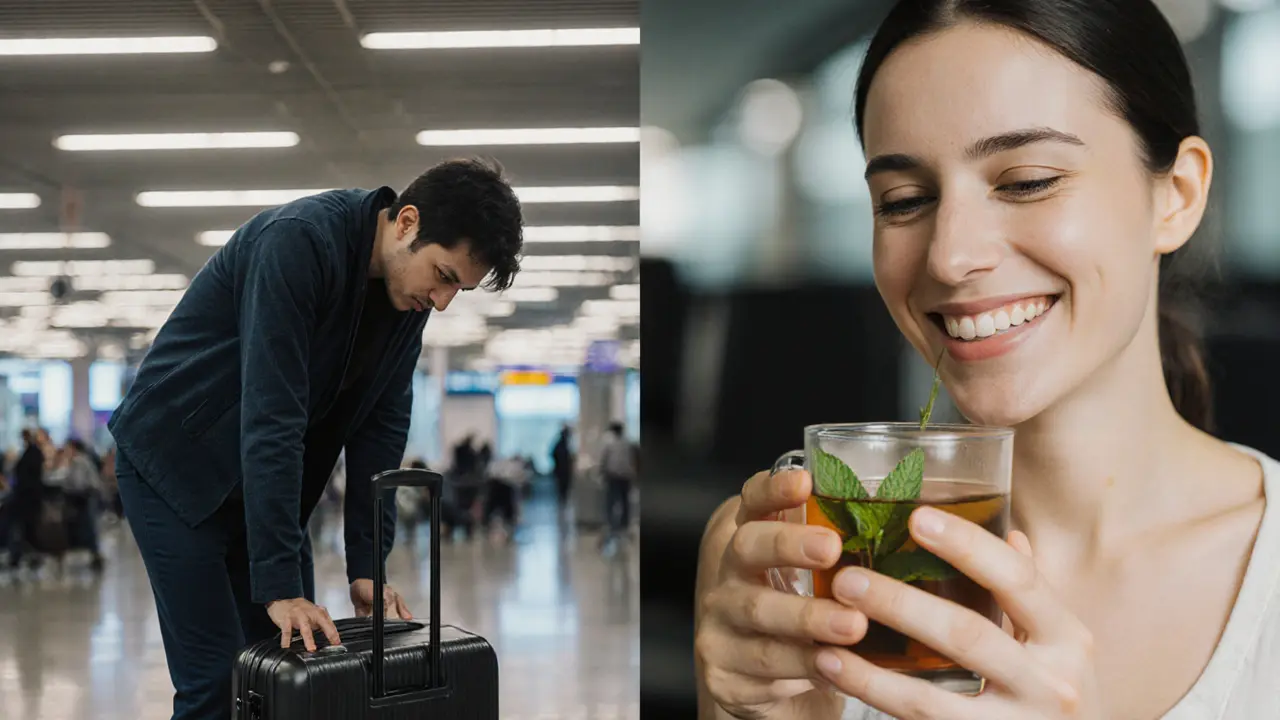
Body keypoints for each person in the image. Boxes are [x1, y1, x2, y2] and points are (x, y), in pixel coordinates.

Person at [693, 2, 1279, 719]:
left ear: (1177, 196)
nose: (950, 256)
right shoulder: (782, 568)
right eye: (904, 201)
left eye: (1027, 180)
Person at [106, 157, 523, 720]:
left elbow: (381, 428)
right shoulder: (298, 244)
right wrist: (278, 583)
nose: (443, 301)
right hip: (174, 469)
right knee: (215, 681)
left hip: (258, 480)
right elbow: (272, 415)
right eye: (445, 276)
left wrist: (367, 567)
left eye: (460, 290)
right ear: (405, 222)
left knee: (294, 666)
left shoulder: (406, 296)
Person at [552, 424, 575, 510]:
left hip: (563, 470)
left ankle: (563, 504)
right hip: (562, 470)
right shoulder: (561, 444)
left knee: (564, 489)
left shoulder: (565, 444)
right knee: (562, 488)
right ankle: (562, 504)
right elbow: (553, 454)